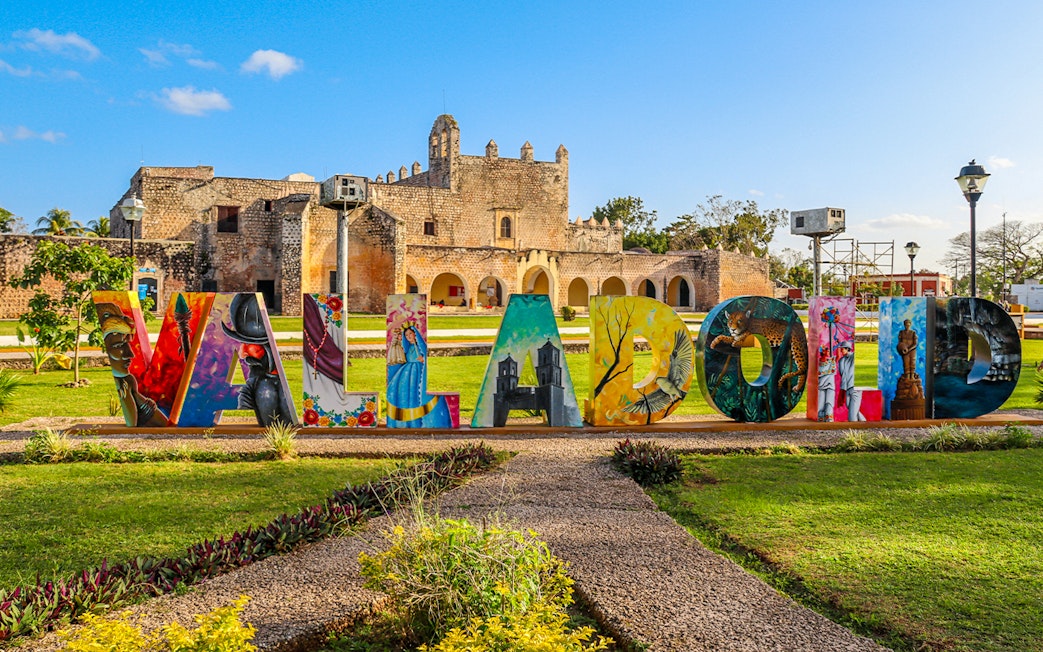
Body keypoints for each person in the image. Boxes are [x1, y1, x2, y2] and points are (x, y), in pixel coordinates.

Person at [96, 303, 167, 427]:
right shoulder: (125, 383)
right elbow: (131, 424)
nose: (130, 354)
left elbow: (135, 423)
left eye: (128, 344)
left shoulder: (128, 381)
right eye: (119, 346)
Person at [386, 322, 450, 427]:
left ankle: (417, 419)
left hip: (418, 370)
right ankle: (404, 419)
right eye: (406, 335)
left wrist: (422, 358)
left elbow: (424, 354)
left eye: (410, 334)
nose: (408, 337)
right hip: (407, 371)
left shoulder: (419, 346)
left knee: (416, 391)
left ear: (415, 334)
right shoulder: (408, 348)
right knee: (403, 391)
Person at [836, 341, 864, 421]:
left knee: (852, 415)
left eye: (843, 348)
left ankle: (854, 429)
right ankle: (864, 423)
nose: (841, 350)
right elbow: (842, 374)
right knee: (851, 407)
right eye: (841, 349)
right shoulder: (842, 360)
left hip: (855, 387)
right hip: (847, 388)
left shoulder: (853, 357)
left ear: (848, 349)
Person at [816, 345, 836, 422]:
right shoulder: (818, 363)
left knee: (829, 402)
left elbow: (832, 370)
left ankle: (829, 417)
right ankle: (821, 418)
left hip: (830, 386)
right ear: (823, 352)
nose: (828, 352)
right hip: (821, 386)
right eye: (827, 350)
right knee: (821, 404)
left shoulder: (831, 361)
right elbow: (819, 373)